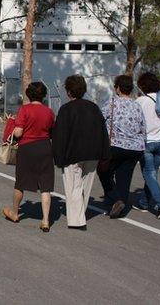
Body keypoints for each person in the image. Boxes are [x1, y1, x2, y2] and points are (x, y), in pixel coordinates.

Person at [52, 75, 110, 230]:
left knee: (73, 186)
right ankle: (80, 214)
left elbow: (60, 135)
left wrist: (58, 157)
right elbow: (103, 131)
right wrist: (105, 154)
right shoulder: (94, 108)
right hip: (93, 153)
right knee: (85, 186)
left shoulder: (66, 109)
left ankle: (77, 220)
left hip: (73, 154)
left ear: (69, 92)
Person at [2, 82, 55, 232]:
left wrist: (11, 124)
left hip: (27, 148)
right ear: (43, 95)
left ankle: (15, 212)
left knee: (21, 182)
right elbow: (52, 131)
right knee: (46, 185)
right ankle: (45, 220)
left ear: (28, 94)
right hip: (45, 147)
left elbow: (18, 132)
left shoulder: (24, 110)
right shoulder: (49, 112)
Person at [99, 74, 147, 218]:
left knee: (104, 171)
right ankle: (121, 208)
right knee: (124, 177)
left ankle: (116, 199)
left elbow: (100, 119)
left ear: (118, 88)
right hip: (135, 147)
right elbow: (143, 127)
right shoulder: (137, 105)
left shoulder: (112, 103)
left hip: (116, 145)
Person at [135, 72, 160, 219]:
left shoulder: (140, 101)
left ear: (142, 86)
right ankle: (144, 202)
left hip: (148, 142)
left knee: (148, 173)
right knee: (152, 174)